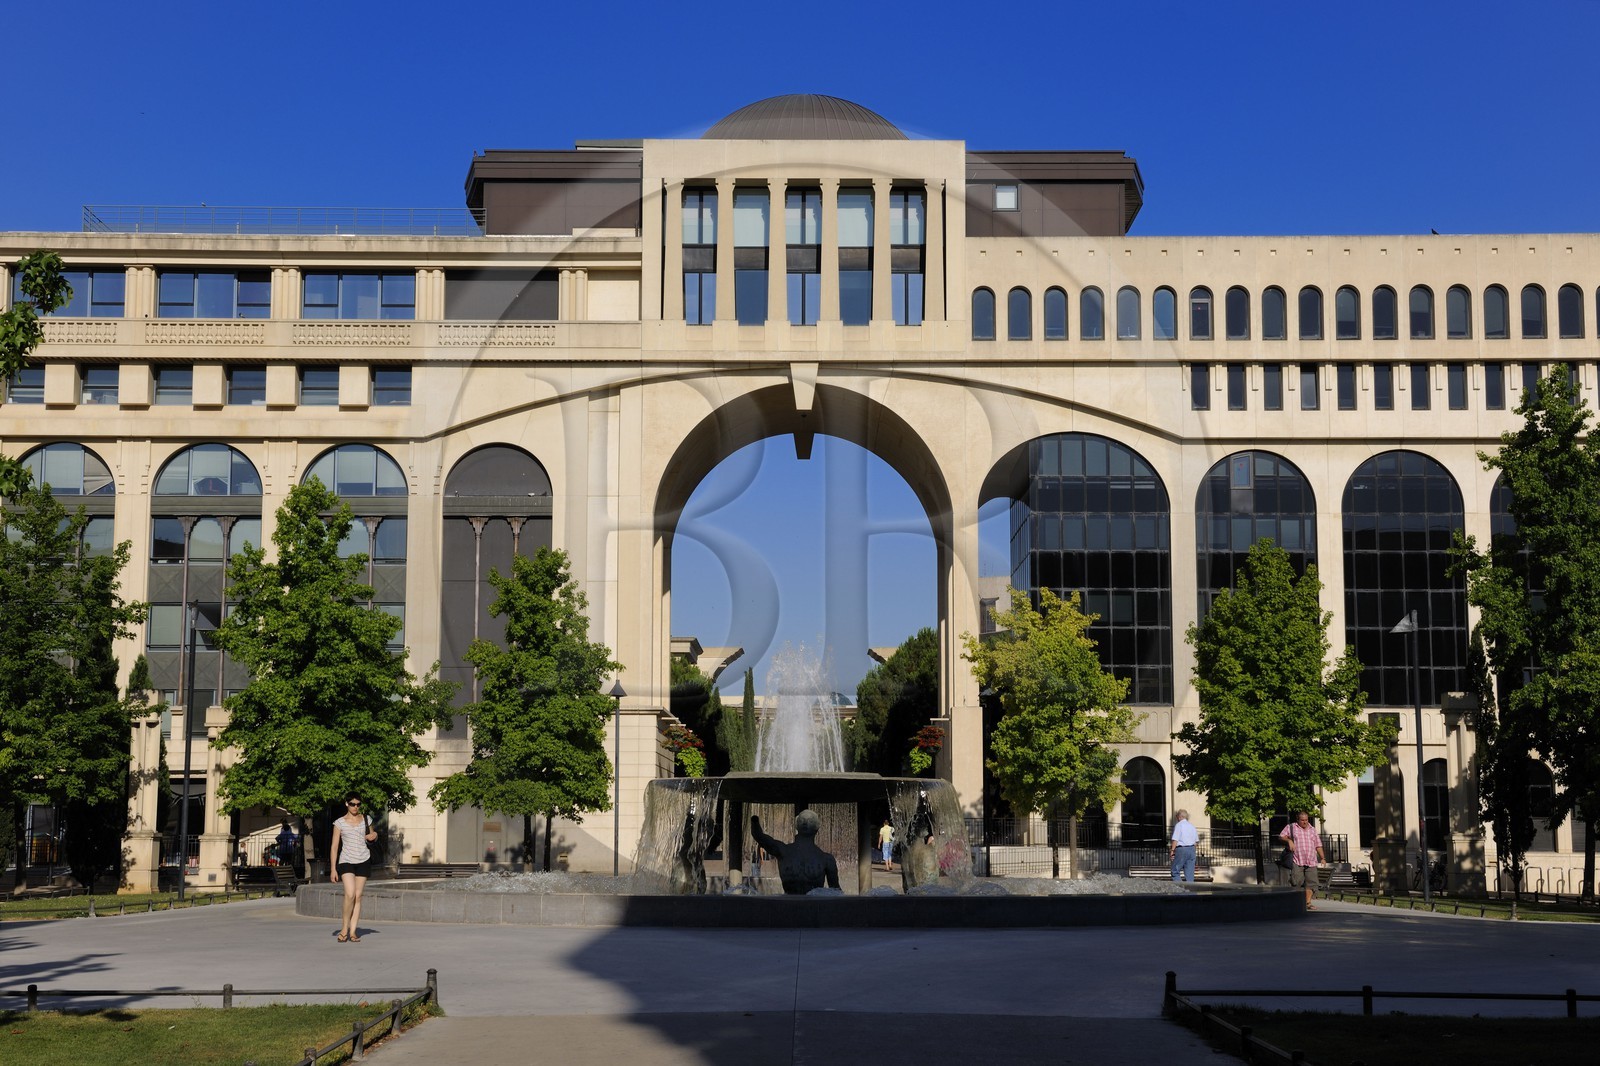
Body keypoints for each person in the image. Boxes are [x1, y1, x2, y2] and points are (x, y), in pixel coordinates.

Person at [749, 811, 840, 894]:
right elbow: (836, 893)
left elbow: (759, 836)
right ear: (817, 828)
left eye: (808, 821)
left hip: (793, 907)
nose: (805, 823)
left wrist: (755, 822)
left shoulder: (783, 851)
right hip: (811, 908)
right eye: (803, 821)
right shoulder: (827, 859)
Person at [329, 793, 377, 942]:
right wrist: (333, 869)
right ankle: (344, 929)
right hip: (346, 861)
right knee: (349, 894)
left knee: (358, 896)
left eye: (358, 804)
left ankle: (354, 931)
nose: (355, 807)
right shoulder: (339, 823)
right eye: (352, 804)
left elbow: (373, 834)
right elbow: (334, 846)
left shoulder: (366, 819)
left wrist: (373, 835)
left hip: (363, 859)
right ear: (346, 804)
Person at [1279, 810, 1326, 911]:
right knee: (1296, 882)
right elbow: (1281, 836)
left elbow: (1318, 845)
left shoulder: (1312, 830)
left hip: (1311, 861)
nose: (1305, 822)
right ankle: (1295, 902)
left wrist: (1322, 858)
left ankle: (1307, 903)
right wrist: (1289, 840)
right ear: (1298, 819)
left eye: (1306, 820)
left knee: (1312, 883)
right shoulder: (1291, 827)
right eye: (1302, 820)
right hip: (1297, 860)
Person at [1169, 809, 1199, 883]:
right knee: (1190, 875)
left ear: (1179, 817)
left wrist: (1172, 850)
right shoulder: (1192, 826)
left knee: (1175, 871)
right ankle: (1191, 891)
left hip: (1182, 849)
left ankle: (1181, 889)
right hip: (1192, 849)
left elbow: (1175, 839)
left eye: (1176, 816)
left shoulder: (1179, 825)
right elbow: (1195, 842)